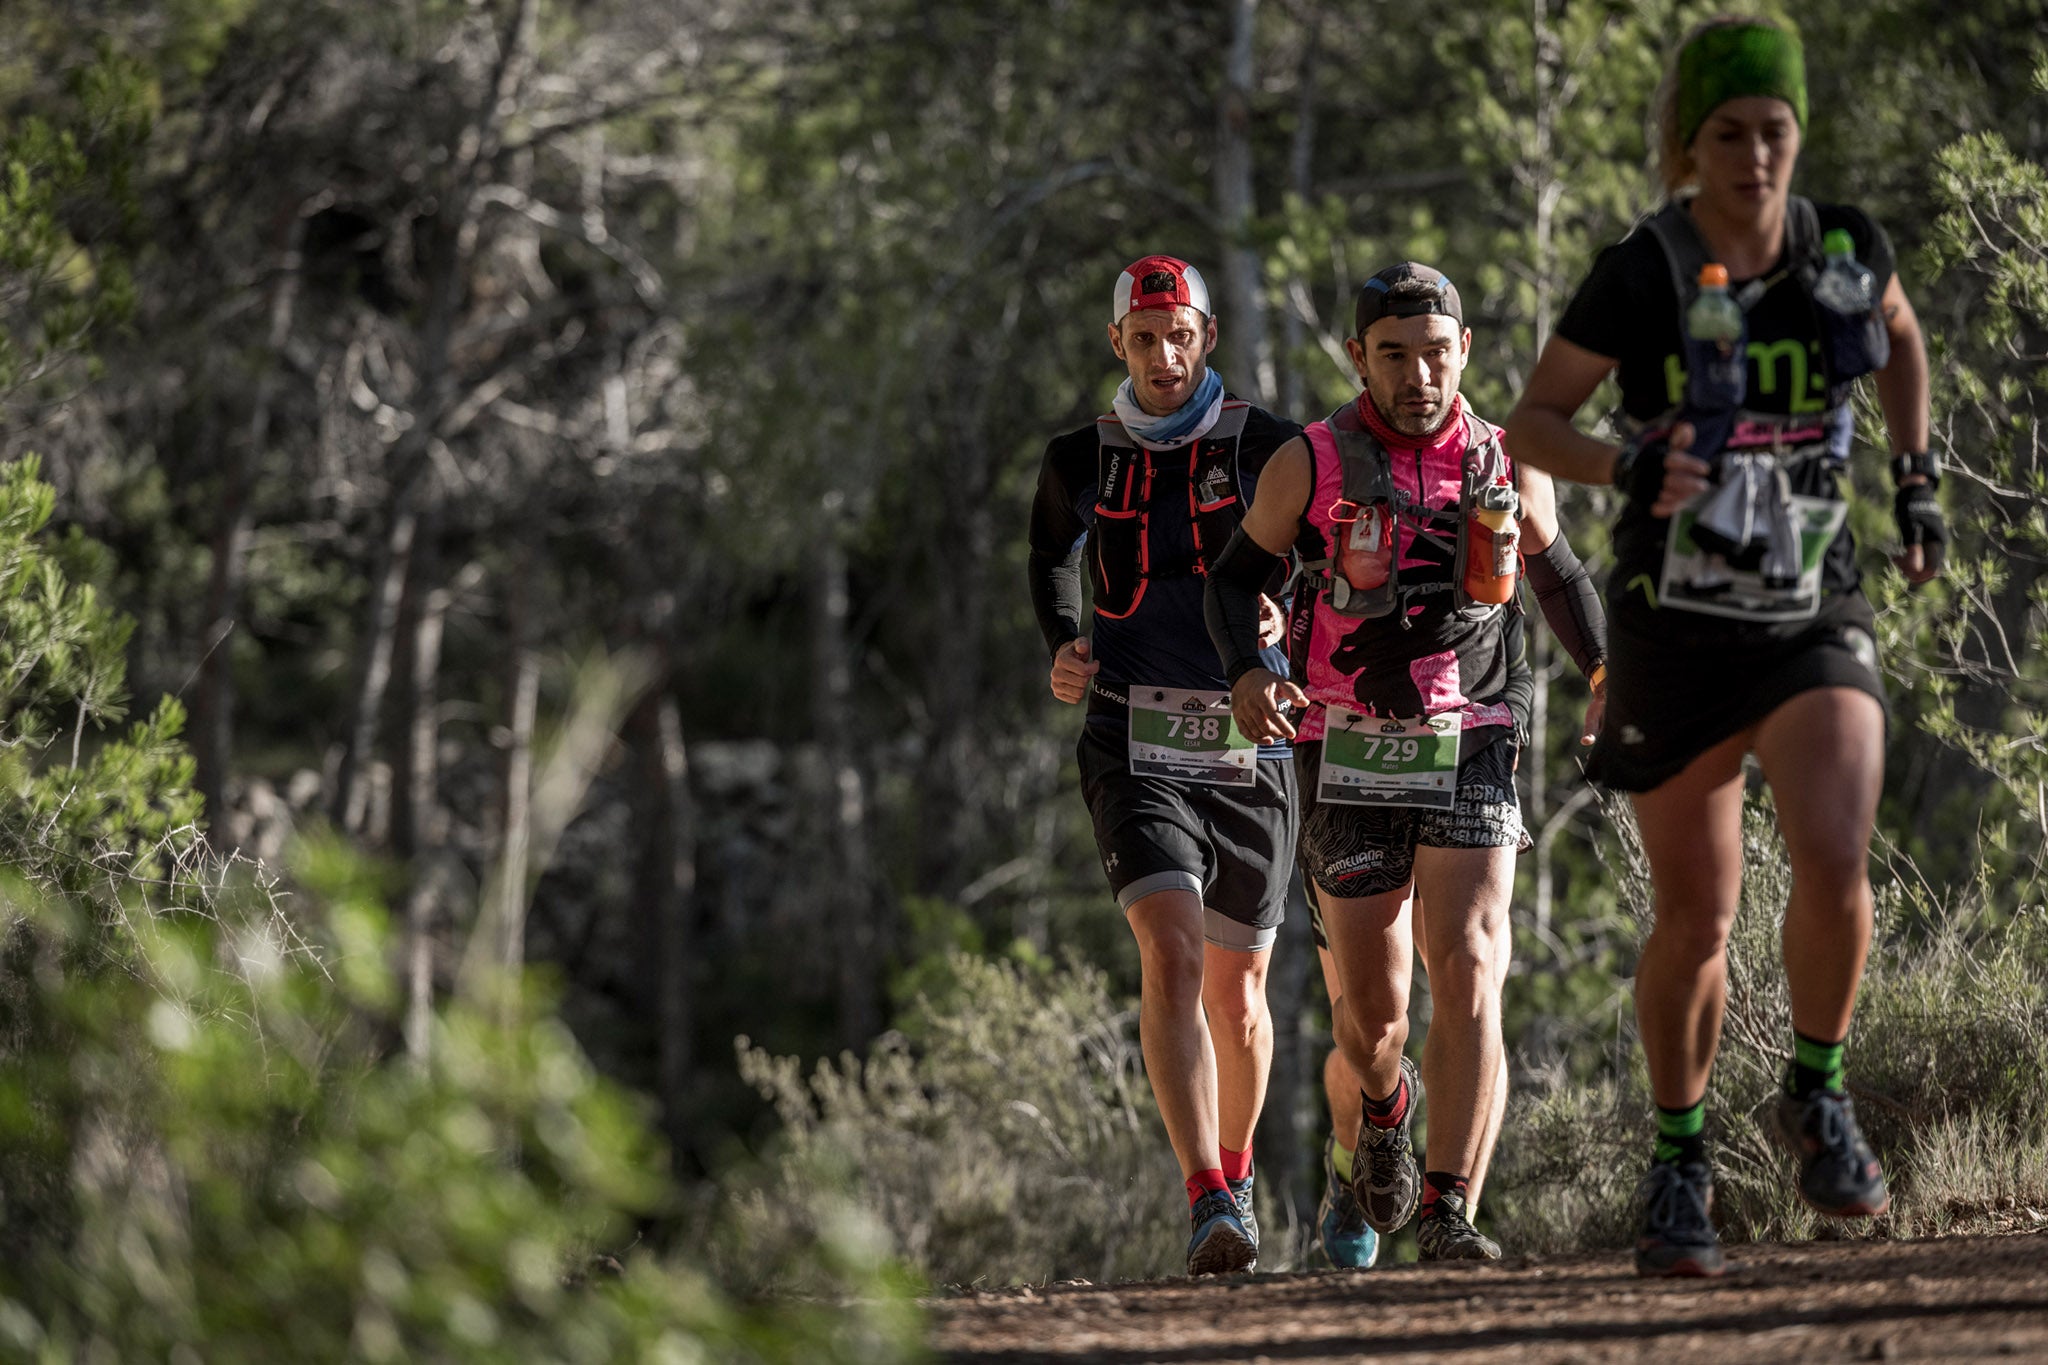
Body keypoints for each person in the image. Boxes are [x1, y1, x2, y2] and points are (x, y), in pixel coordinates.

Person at [1504, 16, 1942, 1278]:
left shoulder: (1844, 248)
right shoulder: (1640, 270)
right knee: (1695, 913)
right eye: (1726, 136)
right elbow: (1534, 421)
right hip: (1674, 627)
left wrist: (1914, 485)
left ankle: (1814, 1088)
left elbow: (1902, 337)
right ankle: (1678, 1159)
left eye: (1774, 133)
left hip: (1812, 608)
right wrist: (1628, 462)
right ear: (1682, 148)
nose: (1755, 158)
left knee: (1835, 843)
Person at [1208, 263, 1609, 1262]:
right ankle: (1381, 1112)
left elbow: (1559, 580)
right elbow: (1231, 583)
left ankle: (1446, 1210)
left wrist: (1608, 677)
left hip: (1471, 733)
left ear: (1463, 350)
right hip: (1336, 749)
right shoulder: (1308, 461)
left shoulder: (1505, 459)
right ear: (1359, 359)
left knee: (1471, 963)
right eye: (1393, 356)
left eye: (1435, 353)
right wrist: (1248, 672)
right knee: (1372, 1020)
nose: (1418, 375)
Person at [1027, 255, 1301, 1277]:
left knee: (1237, 994)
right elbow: (1048, 555)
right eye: (1143, 339)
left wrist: (1291, 605)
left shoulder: (1264, 444)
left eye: (1177, 335)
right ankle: (1205, 1196)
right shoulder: (1079, 458)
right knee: (1172, 952)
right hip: (1128, 736)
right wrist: (1059, 641)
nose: (1162, 356)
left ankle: (1231, 1172)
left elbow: (1326, 545)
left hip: (1246, 734)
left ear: (1207, 335)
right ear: (1117, 345)